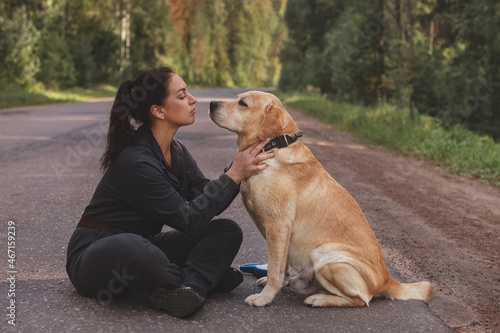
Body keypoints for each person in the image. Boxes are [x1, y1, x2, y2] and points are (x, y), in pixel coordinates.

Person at [66, 66, 274, 318]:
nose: (193, 99)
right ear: (158, 110)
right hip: (98, 255)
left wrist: (237, 170)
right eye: (182, 95)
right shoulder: (136, 162)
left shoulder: (175, 150)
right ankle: (199, 280)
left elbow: (203, 197)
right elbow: (188, 219)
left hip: (147, 245)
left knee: (226, 230)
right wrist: (234, 175)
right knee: (134, 246)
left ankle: (188, 288)